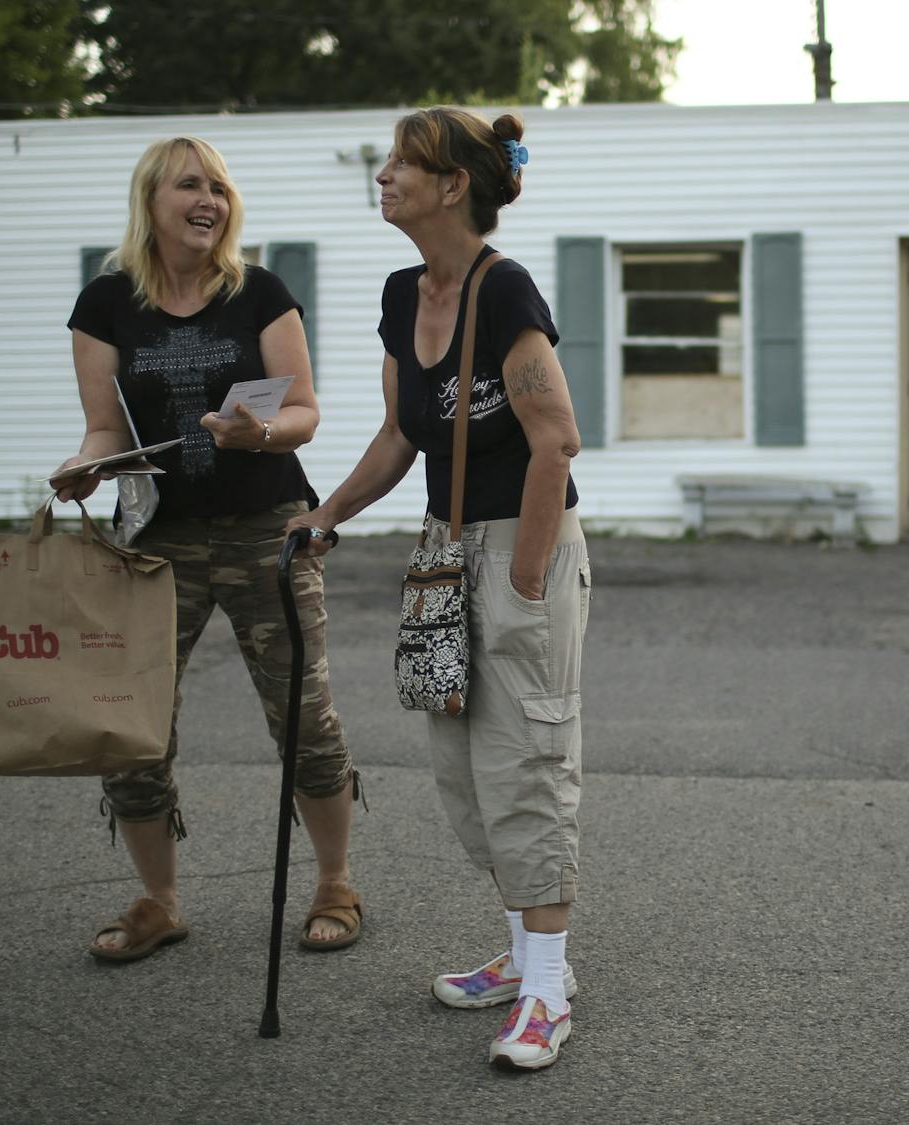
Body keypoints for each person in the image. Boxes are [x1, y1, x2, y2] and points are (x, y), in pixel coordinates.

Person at [287, 107, 589, 1070]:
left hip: (519, 546)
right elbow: (400, 435)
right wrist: (324, 515)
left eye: (400, 165)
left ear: (453, 185)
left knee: (525, 762)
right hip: (442, 550)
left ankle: (547, 989)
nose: (382, 176)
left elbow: (556, 439)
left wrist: (528, 580)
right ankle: (522, 957)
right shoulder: (399, 292)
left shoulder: (505, 293)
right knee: (463, 771)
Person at [52, 136, 363, 963]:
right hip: (159, 542)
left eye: (219, 188)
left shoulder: (257, 291)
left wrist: (260, 432)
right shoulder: (106, 302)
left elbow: (304, 411)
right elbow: (105, 428)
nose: (209, 201)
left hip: (268, 526)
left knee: (304, 716)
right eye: (191, 186)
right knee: (133, 729)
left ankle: (335, 882)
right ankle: (159, 900)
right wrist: (86, 467)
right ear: (151, 199)